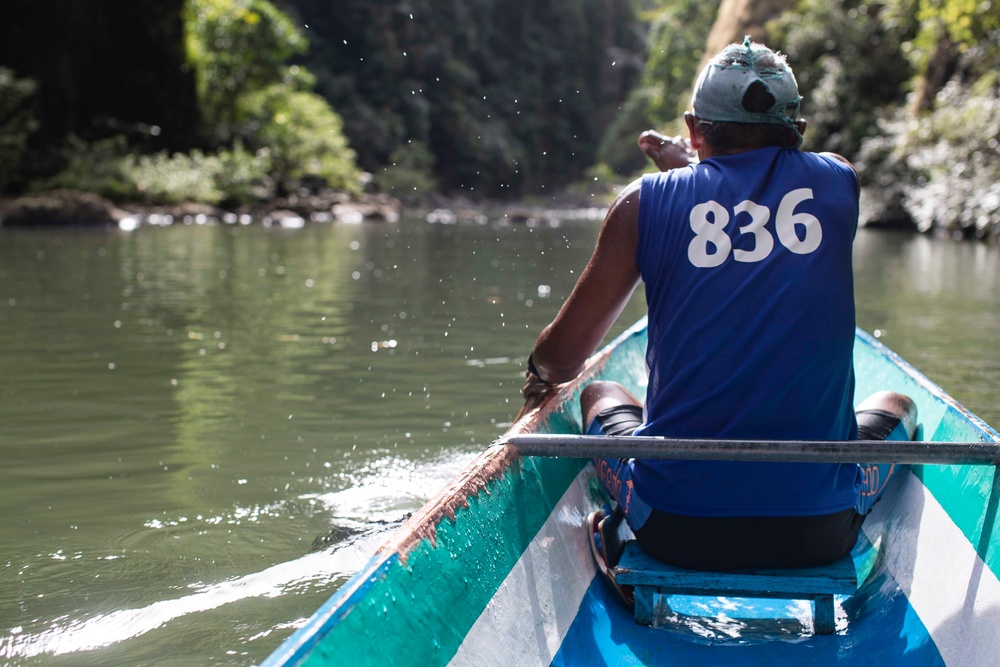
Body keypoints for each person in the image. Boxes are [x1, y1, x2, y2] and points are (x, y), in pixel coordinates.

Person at [520, 38, 917, 578]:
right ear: (798, 133)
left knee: (600, 392)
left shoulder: (643, 204)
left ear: (693, 127)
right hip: (820, 531)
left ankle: (615, 522)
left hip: (676, 529)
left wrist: (539, 373)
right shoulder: (839, 183)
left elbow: (563, 358)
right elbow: (757, 192)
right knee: (896, 403)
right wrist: (699, 164)